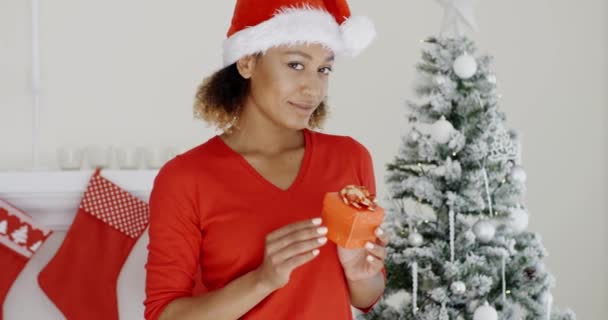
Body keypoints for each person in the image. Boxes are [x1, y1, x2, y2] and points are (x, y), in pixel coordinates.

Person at [144, 1, 389, 319]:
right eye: (296, 65)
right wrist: (262, 280)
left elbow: (367, 296)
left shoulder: (350, 158)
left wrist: (361, 274)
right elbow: (164, 314)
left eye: (324, 69)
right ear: (247, 62)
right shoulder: (185, 178)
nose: (313, 88)